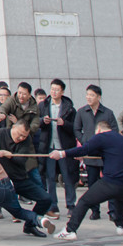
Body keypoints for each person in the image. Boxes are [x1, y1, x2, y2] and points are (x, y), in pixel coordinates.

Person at [50, 120, 123, 240]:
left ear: (99, 130)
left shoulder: (101, 136)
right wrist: (83, 155)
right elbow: (98, 151)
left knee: (84, 201)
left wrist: (61, 154)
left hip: (112, 182)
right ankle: (120, 226)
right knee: (119, 197)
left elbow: (84, 148)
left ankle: (70, 230)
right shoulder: (120, 137)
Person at [0, 121, 50, 234]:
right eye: (19, 134)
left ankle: (30, 226)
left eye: (24, 136)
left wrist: (8, 155)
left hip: (20, 179)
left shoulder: (26, 140)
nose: (21, 138)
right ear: (13, 127)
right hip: (0, 180)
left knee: (46, 199)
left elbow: (21, 160)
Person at [73, 84, 117, 220]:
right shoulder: (82, 112)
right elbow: (76, 129)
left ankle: (112, 211)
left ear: (98, 97)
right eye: (87, 94)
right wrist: (84, 141)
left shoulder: (108, 113)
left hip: (105, 154)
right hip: (90, 153)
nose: (89, 97)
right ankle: (95, 211)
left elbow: (114, 130)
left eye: (92, 95)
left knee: (110, 182)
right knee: (92, 184)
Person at [38, 79, 78, 219]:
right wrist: (43, 121)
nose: (54, 92)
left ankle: (71, 205)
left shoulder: (69, 108)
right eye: (52, 89)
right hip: (48, 147)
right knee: (50, 177)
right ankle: (52, 205)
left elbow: (75, 128)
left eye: (57, 90)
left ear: (62, 92)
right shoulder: (43, 105)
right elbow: (36, 122)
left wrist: (64, 123)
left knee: (67, 177)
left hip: (64, 148)